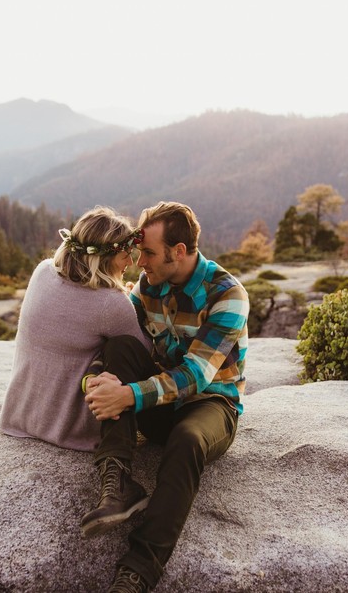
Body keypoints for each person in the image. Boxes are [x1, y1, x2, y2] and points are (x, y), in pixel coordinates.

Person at [82, 201, 249, 592]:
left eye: (149, 252)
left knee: (187, 440)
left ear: (179, 251)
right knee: (123, 343)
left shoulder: (227, 295)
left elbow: (194, 376)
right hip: (159, 402)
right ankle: (117, 481)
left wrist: (127, 396)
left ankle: (138, 570)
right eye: (139, 251)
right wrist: (94, 383)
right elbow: (113, 351)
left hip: (211, 404)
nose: (140, 261)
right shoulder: (149, 284)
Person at [0, 206, 149, 452]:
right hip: (68, 430)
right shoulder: (110, 303)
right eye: (126, 254)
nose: (131, 262)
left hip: (20, 417)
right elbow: (141, 355)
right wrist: (136, 304)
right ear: (105, 258)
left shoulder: (43, 271)